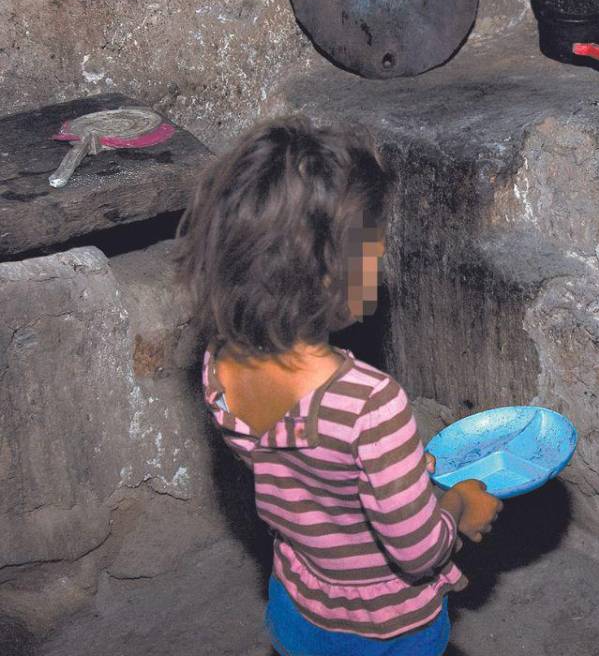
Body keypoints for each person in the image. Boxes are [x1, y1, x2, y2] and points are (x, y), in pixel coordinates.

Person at [173, 116, 502, 656]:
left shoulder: (218, 363)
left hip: (299, 602)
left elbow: (300, 467)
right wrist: (461, 507)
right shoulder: (371, 405)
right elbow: (418, 550)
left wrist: (384, 474)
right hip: (386, 629)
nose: (382, 255)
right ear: (326, 274)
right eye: (373, 242)